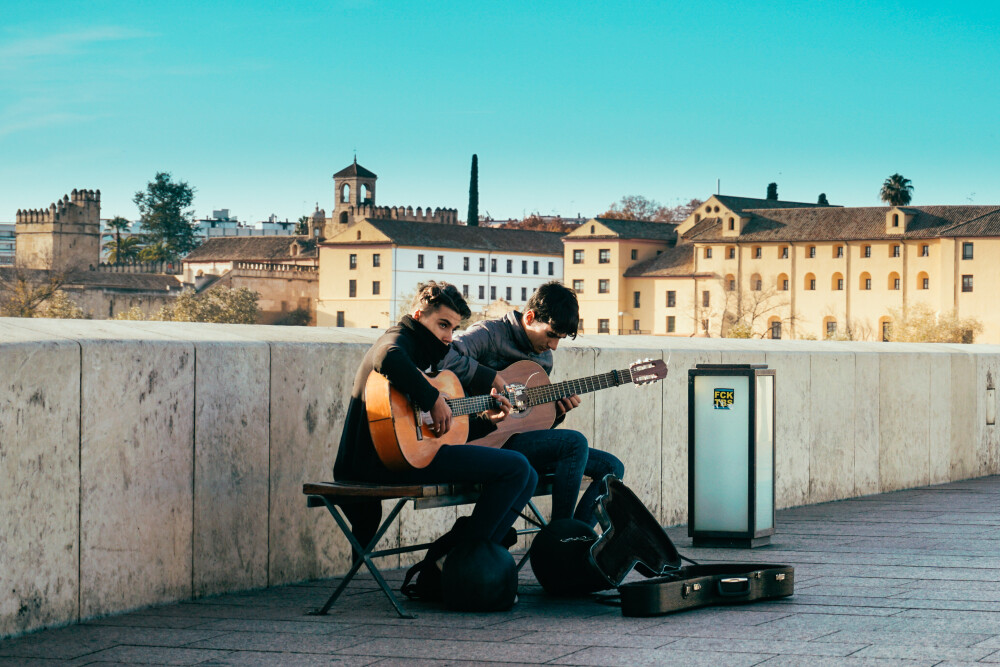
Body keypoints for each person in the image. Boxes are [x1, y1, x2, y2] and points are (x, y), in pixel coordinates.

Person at [333, 281, 537, 550]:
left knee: (529, 475)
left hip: (408, 457)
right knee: (516, 467)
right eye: (443, 325)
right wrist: (431, 399)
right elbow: (386, 356)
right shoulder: (400, 339)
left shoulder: (422, 356)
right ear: (418, 316)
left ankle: (481, 552)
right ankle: (467, 555)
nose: (449, 337)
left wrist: (486, 421)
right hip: (378, 464)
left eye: (454, 329)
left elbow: (440, 431)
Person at [441, 281, 625, 527]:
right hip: (477, 436)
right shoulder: (489, 333)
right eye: (551, 335)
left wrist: (557, 414)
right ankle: (561, 535)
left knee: (611, 467)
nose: (553, 346)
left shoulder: (544, 358)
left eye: (559, 339)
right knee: (574, 442)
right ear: (530, 317)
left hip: (515, 442)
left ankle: (578, 540)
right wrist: (491, 377)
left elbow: (528, 423)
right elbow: (444, 357)